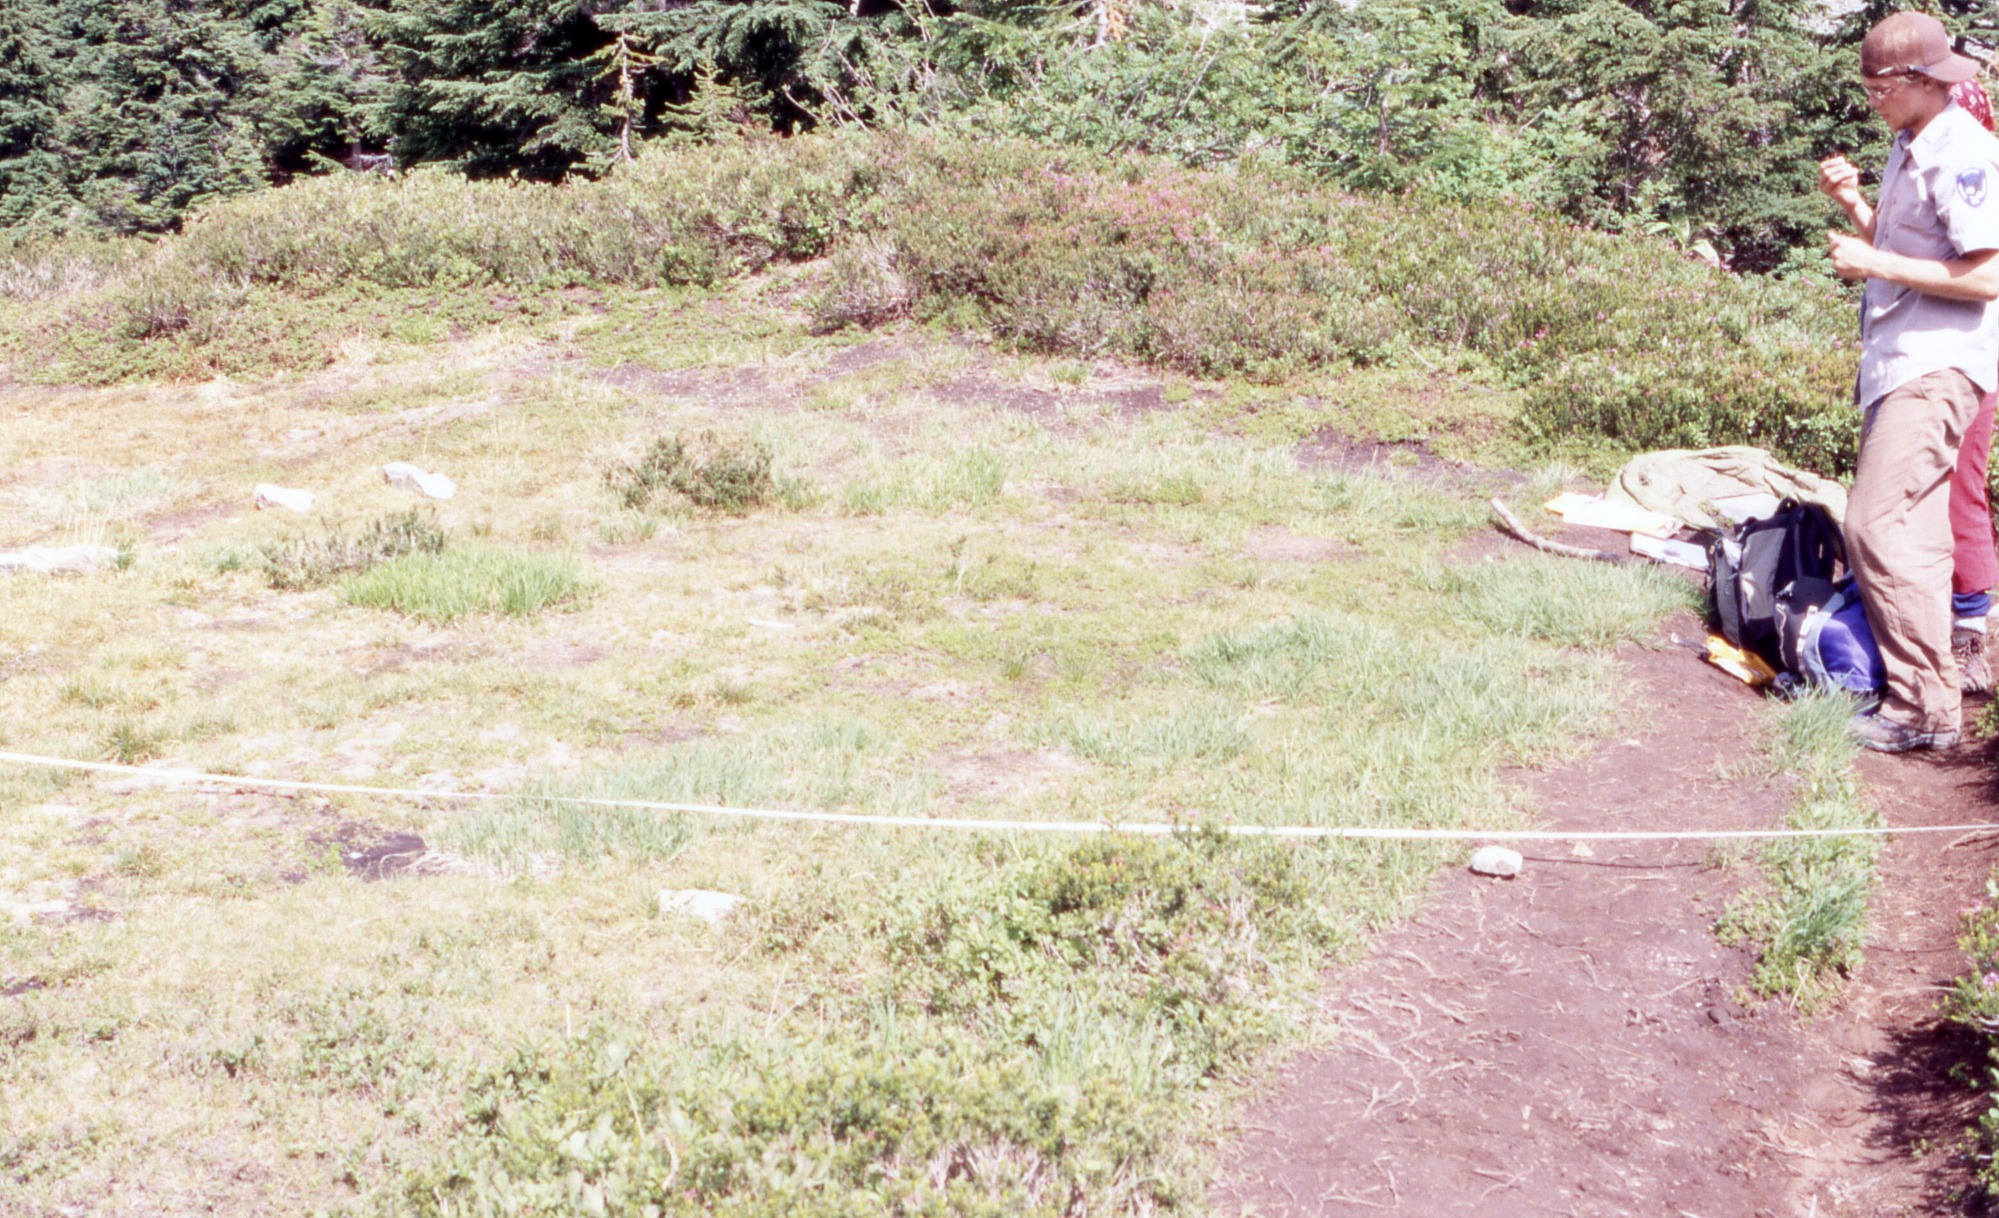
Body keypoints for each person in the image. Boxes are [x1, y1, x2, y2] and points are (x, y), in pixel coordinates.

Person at [1817, 10, 1999, 752]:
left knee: (1874, 524)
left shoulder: (1964, 153)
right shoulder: (1909, 142)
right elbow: (1901, 246)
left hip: (1936, 366)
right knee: (1917, 537)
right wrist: (1856, 210)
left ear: (1918, 80)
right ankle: (1926, 708)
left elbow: (1988, 273)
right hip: (1899, 364)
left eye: (1876, 86)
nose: (1869, 99)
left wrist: (1875, 266)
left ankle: (1921, 707)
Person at [1949, 77, 1999, 694]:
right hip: (1932, 358)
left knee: (1961, 489)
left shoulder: (1978, 175)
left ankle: (1971, 638)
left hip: (1972, 360)